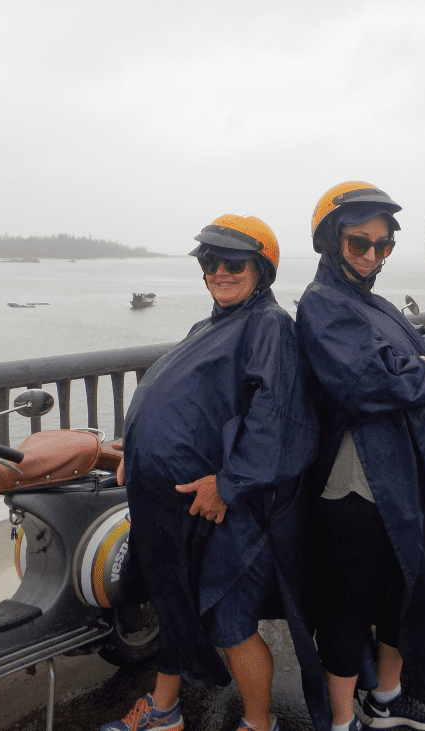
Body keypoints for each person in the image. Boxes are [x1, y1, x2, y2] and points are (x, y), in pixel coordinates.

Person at [102, 214, 326, 731]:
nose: (220, 272)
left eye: (234, 262)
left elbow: (279, 419)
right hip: (183, 503)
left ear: (262, 269)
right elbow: (200, 407)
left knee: (229, 623)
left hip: (240, 512)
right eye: (210, 261)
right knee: (176, 604)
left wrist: (230, 482)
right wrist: (136, 453)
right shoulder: (211, 326)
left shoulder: (268, 325)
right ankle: (164, 712)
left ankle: (257, 723)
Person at [295, 182, 425, 731]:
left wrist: (424, 367)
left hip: (403, 473)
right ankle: (339, 719)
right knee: (351, 601)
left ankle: (386, 696)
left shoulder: (374, 304)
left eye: (384, 246)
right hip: (354, 480)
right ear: (331, 242)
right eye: (360, 244)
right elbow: (360, 378)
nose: (372, 256)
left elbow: (414, 355)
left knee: (403, 589)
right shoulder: (321, 303)